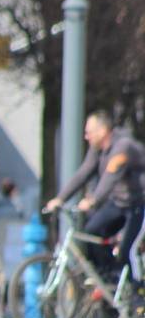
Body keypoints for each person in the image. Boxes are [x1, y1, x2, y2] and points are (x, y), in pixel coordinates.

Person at [44, 111, 145, 299]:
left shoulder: (124, 147)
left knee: (127, 250)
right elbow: (83, 174)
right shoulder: (97, 149)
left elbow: (110, 178)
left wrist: (92, 201)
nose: (86, 136)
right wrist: (60, 198)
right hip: (117, 204)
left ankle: (137, 293)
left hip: (137, 205)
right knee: (91, 231)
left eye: (89, 132)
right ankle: (109, 279)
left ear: (103, 131)